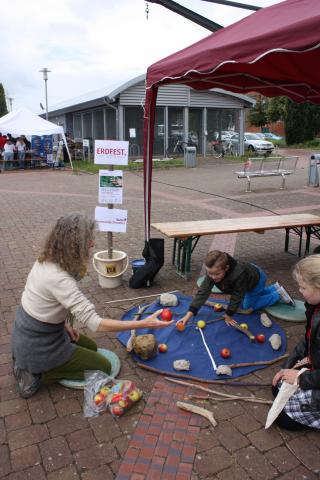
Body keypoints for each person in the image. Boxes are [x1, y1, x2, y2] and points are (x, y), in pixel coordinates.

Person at [12, 213, 172, 398]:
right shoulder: (58, 278)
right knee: (104, 366)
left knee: (92, 347)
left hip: (35, 334)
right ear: (75, 245)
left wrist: (64, 326)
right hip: (39, 347)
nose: (92, 244)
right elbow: (96, 324)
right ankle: (41, 373)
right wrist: (145, 323)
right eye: (89, 239)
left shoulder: (45, 261)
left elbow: (39, 304)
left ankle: (36, 360)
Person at [180, 250, 294, 327]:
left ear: (226, 268)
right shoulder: (213, 271)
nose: (213, 277)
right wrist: (190, 314)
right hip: (248, 276)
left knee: (247, 306)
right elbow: (203, 292)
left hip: (256, 279)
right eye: (210, 274)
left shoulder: (238, 275)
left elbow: (237, 296)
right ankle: (275, 288)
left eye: (216, 274)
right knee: (247, 297)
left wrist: (229, 315)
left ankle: (278, 295)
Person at [272, 255, 320, 430]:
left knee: (283, 419)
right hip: (315, 370)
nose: (299, 291)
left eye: (303, 287)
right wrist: (287, 367)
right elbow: (307, 342)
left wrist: (301, 378)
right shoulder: (314, 305)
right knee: (278, 387)